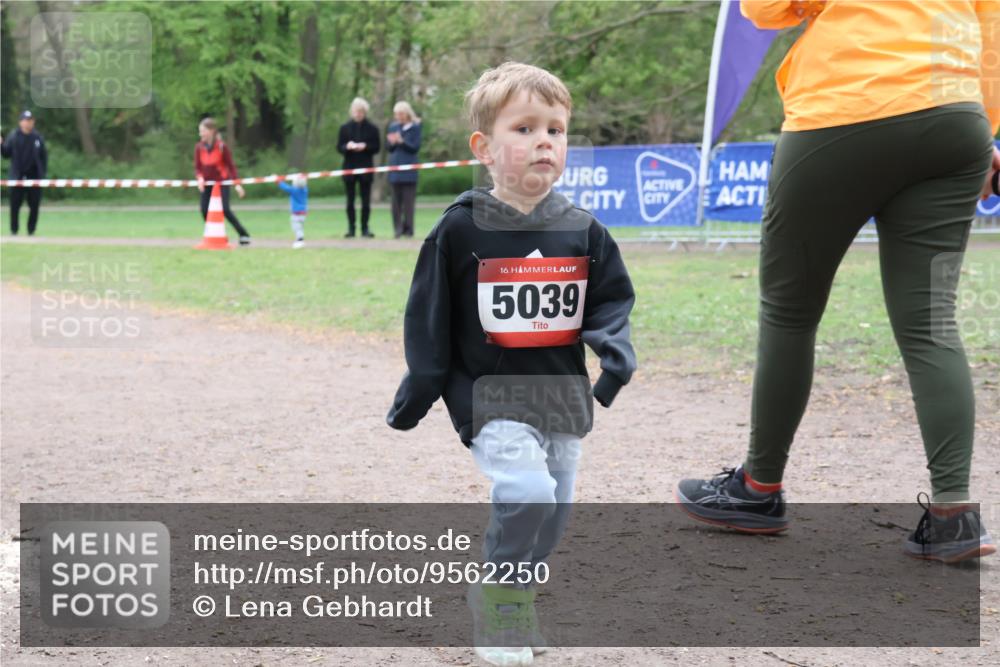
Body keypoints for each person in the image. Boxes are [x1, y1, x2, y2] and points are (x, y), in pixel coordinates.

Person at [676, 0, 1000, 564]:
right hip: (956, 119)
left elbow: (766, 8)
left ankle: (759, 489)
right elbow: (992, 42)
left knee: (789, 312)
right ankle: (954, 514)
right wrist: (985, 129)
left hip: (844, 109)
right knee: (931, 322)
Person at [386, 62, 636, 665]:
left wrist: (611, 346)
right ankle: (497, 607)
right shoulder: (460, 228)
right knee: (527, 492)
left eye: (556, 129)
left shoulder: (583, 229)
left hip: (561, 396)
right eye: (524, 128)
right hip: (489, 395)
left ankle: (514, 594)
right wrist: (416, 396)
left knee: (553, 513)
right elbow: (428, 319)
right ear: (485, 148)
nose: (544, 140)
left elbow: (608, 299)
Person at [194, 117, 251, 245]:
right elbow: (197, 168)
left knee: (225, 209)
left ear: (211, 131)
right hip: (207, 185)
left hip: (221, 183)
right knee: (204, 210)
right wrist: (200, 178)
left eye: (203, 131)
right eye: (200, 131)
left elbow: (231, 166)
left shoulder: (221, 147)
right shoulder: (199, 147)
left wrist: (237, 184)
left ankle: (243, 234)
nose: (201, 134)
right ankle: (216, 235)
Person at [336, 97, 381, 238]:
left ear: (365, 112)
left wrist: (365, 146)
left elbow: (377, 147)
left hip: (365, 168)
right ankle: (351, 228)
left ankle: (365, 228)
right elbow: (339, 147)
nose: (358, 114)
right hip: (349, 167)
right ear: (352, 111)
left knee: (365, 201)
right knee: (350, 200)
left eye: (361, 111)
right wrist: (347, 147)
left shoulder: (373, 129)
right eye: (356, 111)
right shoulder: (345, 128)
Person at [1, 110, 47, 236]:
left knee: (34, 206)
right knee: (14, 206)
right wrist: (1, 144)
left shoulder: (37, 138)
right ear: (20, 122)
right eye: (25, 120)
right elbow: (6, 154)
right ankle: (14, 231)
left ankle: (31, 231)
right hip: (17, 177)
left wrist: (42, 175)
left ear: (33, 122)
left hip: (34, 177)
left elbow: (44, 157)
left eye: (30, 120)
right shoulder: (13, 136)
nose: (27, 123)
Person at [386, 101, 422, 238]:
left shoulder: (415, 127)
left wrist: (402, 142)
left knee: (408, 202)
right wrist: (392, 142)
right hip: (395, 169)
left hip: (409, 170)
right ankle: (397, 229)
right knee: (395, 203)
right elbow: (389, 148)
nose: (398, 117)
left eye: (400, 114)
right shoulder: (393, 127)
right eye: (396, 114)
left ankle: (409, 229)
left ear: (407, 113)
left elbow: (415, 147)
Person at [278, 174, 308, 248]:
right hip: (303, 213)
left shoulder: (294, 190)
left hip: (296, 214)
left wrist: (279, 181)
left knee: (296, 228)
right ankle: (300, 239)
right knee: (300, 227)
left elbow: (285, 187)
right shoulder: (305, 190)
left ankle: (300, 240)